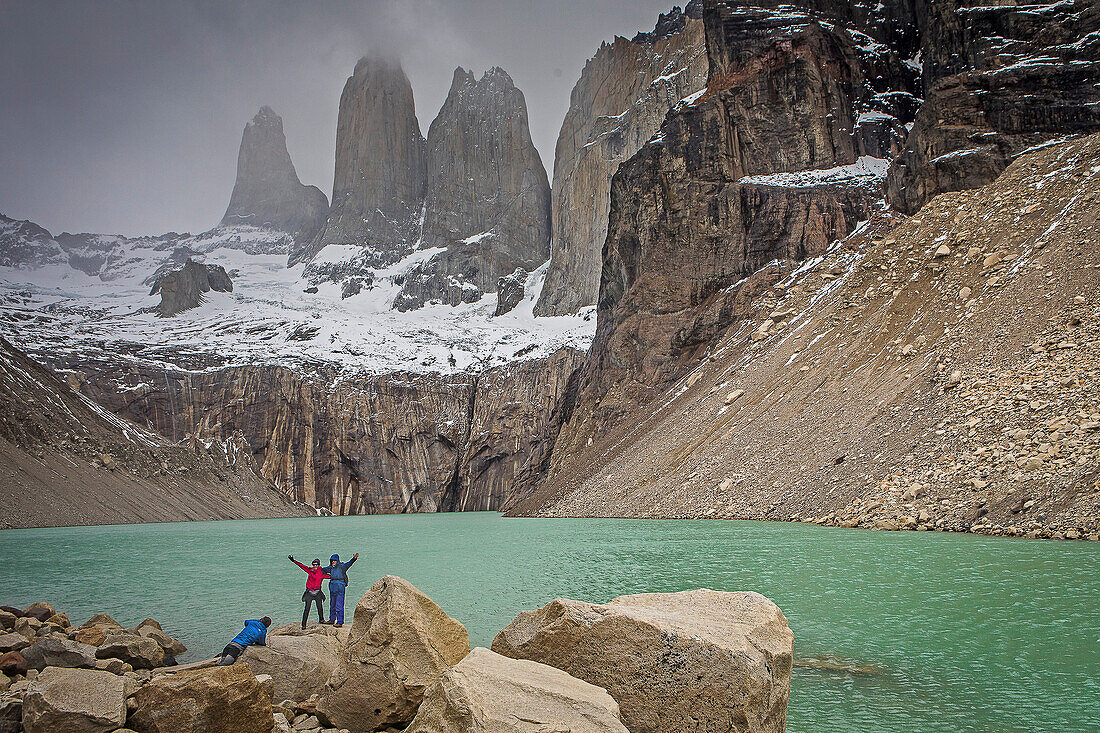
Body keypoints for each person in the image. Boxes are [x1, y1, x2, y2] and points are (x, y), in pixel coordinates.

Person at [289, 555, 329, 629]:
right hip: (309, 592)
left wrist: (340, 576)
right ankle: (303, 625)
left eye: (316, 564)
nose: (314, 566)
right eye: (313, 564)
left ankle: (321, 620)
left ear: (319, 565)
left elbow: (330, 576)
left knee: (320, 607)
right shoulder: (310, 571)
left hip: (317, 592)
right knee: (307, 609)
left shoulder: (322, 572)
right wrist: (293, 561)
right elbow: (302, 566)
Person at [325, 552, 359, 627]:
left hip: (340, 588)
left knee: (339, 605)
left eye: (334, 560)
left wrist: (354, 559)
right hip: (332, 587)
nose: (333, 562)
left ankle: (340, 622)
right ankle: (332, 619)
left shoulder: (342, 567)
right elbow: (322, 570)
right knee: (332, 604)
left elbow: (349, 564)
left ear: (337, 560)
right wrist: (314, 568)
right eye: (332, 560)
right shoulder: (330, 568)